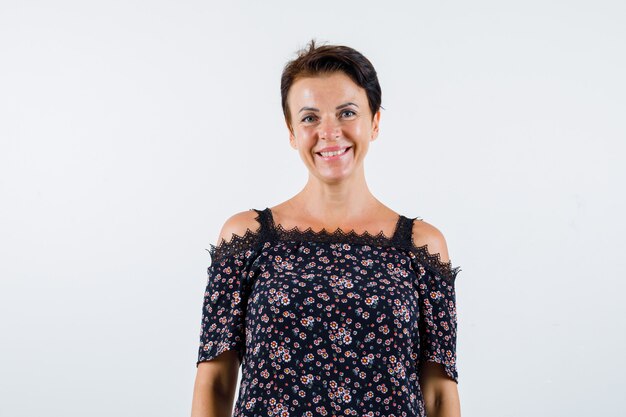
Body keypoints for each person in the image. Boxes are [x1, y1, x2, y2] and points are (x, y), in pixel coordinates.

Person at [191, 39, 462, 417]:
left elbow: (438, 396)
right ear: (291, 132)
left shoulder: (422, 246)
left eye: (347, 112)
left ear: (376, 122)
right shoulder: (245, 239)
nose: (329, 132)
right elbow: (216, 384)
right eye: (309, 117)